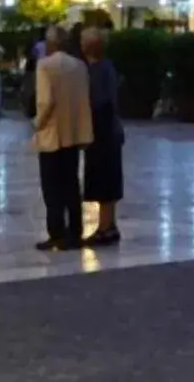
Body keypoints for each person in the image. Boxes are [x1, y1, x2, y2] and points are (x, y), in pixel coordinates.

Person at [32, 25, 92, 252]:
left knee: (51, 187)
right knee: (71, 185)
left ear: (51, 43)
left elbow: (46, 101)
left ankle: (55, 232)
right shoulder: (79, 66)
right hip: (73, 133)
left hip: (52, 134)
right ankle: (75, 232)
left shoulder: (45, 66)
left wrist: (37, 123)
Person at [80, 28, 124, 246]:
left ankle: (104, 226)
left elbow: (98, 102)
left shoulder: (97, 70)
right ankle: (110, 224)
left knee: (103, 180)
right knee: (110, 179)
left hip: (102, 132)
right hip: (111, 131)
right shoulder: (107, 67)